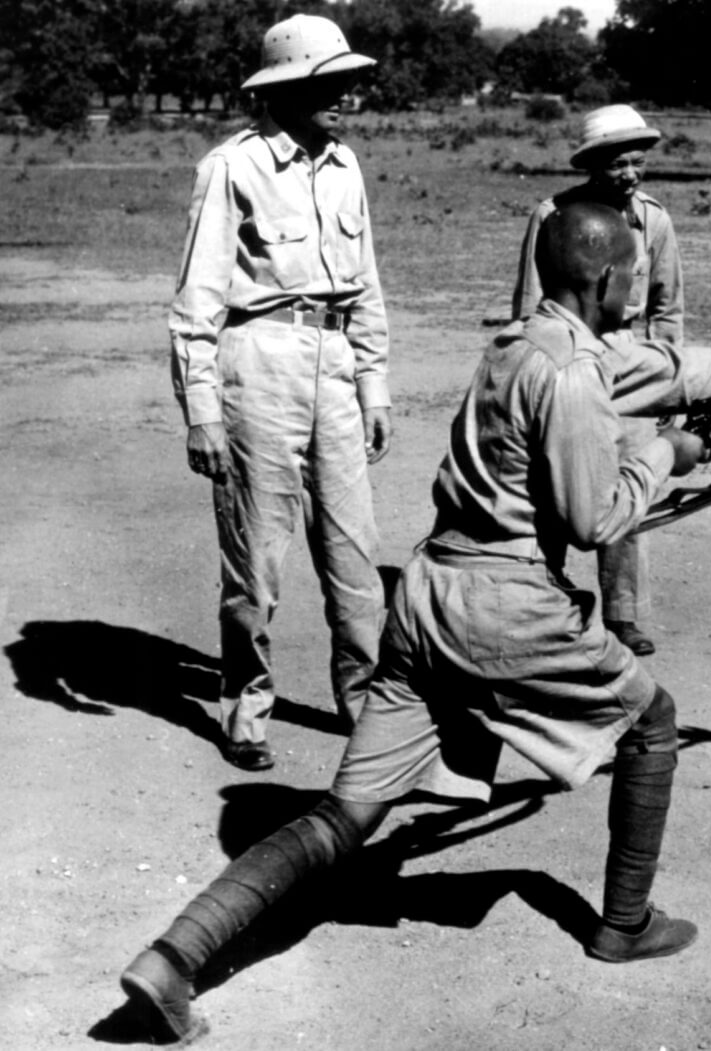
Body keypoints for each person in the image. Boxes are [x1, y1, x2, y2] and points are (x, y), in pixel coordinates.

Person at [118, 201, 711, 1044]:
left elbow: (685, 367)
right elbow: (593, 521)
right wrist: (665, 456)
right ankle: (627, 924)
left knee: (345, 815)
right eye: (634, 278)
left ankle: (173, 957)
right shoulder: (571, 374)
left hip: (427, 598)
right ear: (603, 278)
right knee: (652, 721)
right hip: (505, 604)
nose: (640, 291)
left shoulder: (520, 344)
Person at [169, 15, 391, 771]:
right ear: (289, 86)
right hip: (256, 361)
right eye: (331, 83)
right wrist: (201, 411)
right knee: (257, 557)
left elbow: (366, 286)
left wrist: (374, 383)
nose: (347, 96)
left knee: (355, 555)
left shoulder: (345, 166)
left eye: (348, 81)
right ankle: (247, 708)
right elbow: (196, 302)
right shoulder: (233, 167)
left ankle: (363, 705)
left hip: (332, 362)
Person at [513, 104, 684, 657]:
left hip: (629, 360)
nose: (630, 175)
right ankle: (543, 596)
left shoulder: (653, 220)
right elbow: (526, 304)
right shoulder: (553, 216)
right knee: (552, 481)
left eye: (638, 163)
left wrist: (669, 387)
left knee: (631, 481)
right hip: (565, 356)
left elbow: (668, 308)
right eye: (618, 165)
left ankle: (623, 613)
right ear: (592, 166)